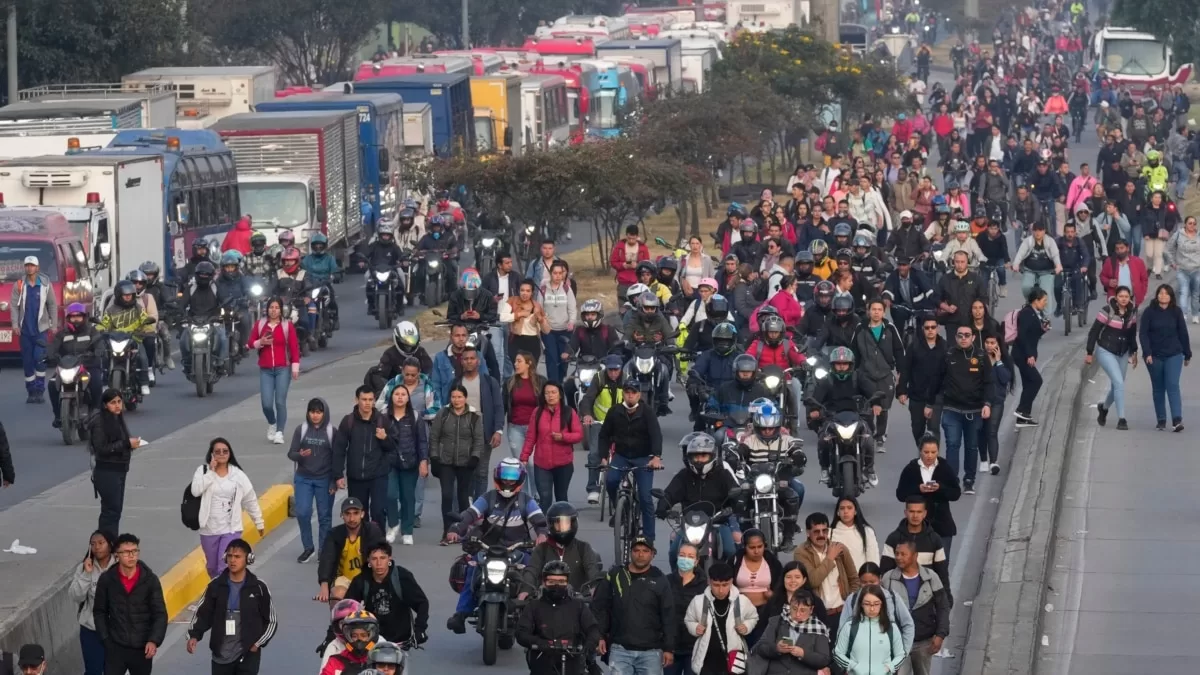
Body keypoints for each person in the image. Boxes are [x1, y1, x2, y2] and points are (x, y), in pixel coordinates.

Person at [445, 458, 549, 633]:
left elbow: (540, 521)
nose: (508, 482)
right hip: (488, 549)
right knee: (472, 569)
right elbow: (470, 514)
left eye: (512, 478)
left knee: (534, 573)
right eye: (505, 477)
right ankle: (460, 615)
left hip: (518, 549)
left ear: (520, 479)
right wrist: (456, 529)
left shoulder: (526, 501)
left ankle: (536, 616)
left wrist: (542, 535)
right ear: (497, 477)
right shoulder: (488, 498)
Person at [185, 539, 277, 675]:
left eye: (237, 557)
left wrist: (257, 644)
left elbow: (271, 620)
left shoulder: (258, 587)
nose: (232, 560)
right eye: (229, 556)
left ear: (248, 559)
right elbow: (203, 614)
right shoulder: (215, 586)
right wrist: (193, 636)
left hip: (248, 655)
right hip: (220, 656)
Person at [592, 536, 676, 675]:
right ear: (630, 552)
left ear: (652, 554)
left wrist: (669, 648)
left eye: (645, 550)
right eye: (636, 550)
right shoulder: (615, 575)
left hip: (651, 652)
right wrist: (599, 636)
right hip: (620, 650)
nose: (640, 554)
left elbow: (668, 615)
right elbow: (600, 607)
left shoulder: (660, 579)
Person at [657, 434, 741, 566]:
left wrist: (736, 504)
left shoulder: (722, 474)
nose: (699, 460)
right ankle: (675, 583)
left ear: (712, 456)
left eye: (703, 456)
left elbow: (736, 492)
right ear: (689, 458)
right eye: (696, 456)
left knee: (730, 550)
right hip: (689, 525)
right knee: (674, 551)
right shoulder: (683, 476)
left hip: (718, 523)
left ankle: (731, 581)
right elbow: (670, 493)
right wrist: (662, 507)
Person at [92, 533, 167, 675]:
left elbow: (160, 614)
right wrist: (106, 640)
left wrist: (153, 640)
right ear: (116, 555)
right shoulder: (107, 580)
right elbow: (99, 612)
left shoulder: (150, 580)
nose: (131, 555)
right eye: (126, 552)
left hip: (142, 648)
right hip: (115, 648)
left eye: (135, 551)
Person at [931, 323, 993, 493]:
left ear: (973, 337)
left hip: (974, 411)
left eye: (967, 335)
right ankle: (952, 480)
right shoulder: (948, 354)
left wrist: (987, 404)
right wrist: (930, 404)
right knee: (952, 444)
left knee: (972, 446)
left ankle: (969, 480)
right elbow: (937, 380)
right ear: (955, 337)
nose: (963, 338)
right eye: (960, 335)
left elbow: (989, 383)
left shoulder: (981, 356)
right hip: (952, 409)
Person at [599, 381, 664, 542]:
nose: (630, 395)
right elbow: (604, 435)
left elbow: (656, 434)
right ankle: (619, 510)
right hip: (622, 456)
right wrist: (604, 457)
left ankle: (649, 539)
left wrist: (656, 456)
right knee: (612, 481)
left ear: (639, 395)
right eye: (627, 392)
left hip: (643, 458)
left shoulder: (647, 412)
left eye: (633, 392)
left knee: (645, 498)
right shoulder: (615, 412)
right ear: (623, 394)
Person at [191, 438, 265, 579]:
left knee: (223, 564)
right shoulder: (203, 471)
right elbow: (196, 491)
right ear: (212, 454)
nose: (222, 454)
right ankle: (218, 589)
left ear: (230, 453)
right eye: (217, 451)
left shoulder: (238, 475)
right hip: (209, 529)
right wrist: (211, 472)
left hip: (231, 529)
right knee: (212, 567)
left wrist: (259, 521)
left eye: (225, 451)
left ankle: (224, 596)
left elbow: (250, 499)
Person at [805, 347, 879, 486]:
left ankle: (869, 469)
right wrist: (814, 409)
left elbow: (872, 392)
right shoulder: (827, 380)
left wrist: (876, 403)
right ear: (833, 365)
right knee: (823, 439)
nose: (841, 367)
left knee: (868, 439)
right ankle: (825, 468)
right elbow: (816, 398)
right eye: (838, 364)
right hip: (832, 418)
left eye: (844, 364)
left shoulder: (858, 378)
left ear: (850, 365)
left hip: (857, 417)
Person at [516, 560, 603, 675]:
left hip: (573, 661)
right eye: (551, 581)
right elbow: (521, 633)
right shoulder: (533, 606)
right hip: (542, 661)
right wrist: (538, 642)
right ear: (544, 581)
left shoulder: (578, 605)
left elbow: (593, 628)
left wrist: (589, 644)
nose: (556, 585)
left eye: (561, 581)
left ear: (567, 582)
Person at [879, 540, 951, 675]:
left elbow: (943, 606)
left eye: (903, 554)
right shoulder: (888, 579)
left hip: (924, 642)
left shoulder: (930, 577)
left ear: (915, 556)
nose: (899, 557)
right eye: (897, 554)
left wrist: (940, 634)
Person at [345, 541, 430, 646]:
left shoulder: (402, 577)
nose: (379, 563)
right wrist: (332, 635)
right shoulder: (361, 580)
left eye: (383, 558)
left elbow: (422, 603)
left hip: (399, 641)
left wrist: (420, 629)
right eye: (374, 559)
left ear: (390, 558)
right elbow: (346, 609)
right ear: (368, 561)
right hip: (370, 640)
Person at [333, 385, 395, 528]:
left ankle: (379, 545)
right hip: (356, 477)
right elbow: (339, 449)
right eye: (364, 399)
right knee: (359, 514)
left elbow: (393, 447)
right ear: (357, 400)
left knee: (378, 511)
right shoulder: (348, 421)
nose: (367, 403)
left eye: (370, 399)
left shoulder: (382, 420)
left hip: (378, 476)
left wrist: (385, 438)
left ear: (374, 401)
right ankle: (363, 545)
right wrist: (338, 475)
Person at [429, 385, 485, 541]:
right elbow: (434, 437)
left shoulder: (474, 416)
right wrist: (434, 457)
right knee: (447, 495)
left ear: (465, 398)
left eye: (459, 397)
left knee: (463, 496)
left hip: (466, 462)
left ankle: (462, 530)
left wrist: (475, 457)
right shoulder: (443, 414)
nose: (456, 400)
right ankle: (447, 530)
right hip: (446, 461)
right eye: (453, 397)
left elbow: (479, 440)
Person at [683, 562, 758, 675]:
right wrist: (694, 628)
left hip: (733, 661)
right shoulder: (698, 601)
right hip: (706, 661)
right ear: (709, 582)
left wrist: (747, 626)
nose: (721, 590)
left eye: (725, 585)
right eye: (716, 585)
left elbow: (753, 617)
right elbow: (689, 619)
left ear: (732, 582)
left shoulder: (742, 601)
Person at [851, 300, 905, 453]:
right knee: (866, 409)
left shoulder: (890, 328)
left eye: (879, 309)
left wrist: (901, 372)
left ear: (884, 311)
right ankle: (869, 435)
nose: (876, 312)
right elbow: (853, 350)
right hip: (865, 374)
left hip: (885, 374)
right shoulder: (860, 328)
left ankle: (880, 438)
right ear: (868, 311)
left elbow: (899, 351)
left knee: (883, 409)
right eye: (873, 309)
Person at [895, 436, 961, 561]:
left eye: (933, 452)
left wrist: (940, 488)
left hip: (942, 524)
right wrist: (918, 489)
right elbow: (901, 495)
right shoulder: (911, 469)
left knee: (942, 564)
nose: (929, 456)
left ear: (938, 451)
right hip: (917, 526)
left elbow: (956, 493)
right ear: (920, 451)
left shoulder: (945, 468)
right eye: (926, 452)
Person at [793, 513, 860, 636]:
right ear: (808, 533)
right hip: (816, 615)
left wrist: (851, 604)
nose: (821, 535)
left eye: (825, 531)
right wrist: (829, 558)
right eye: (816, 532)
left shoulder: (840, 549)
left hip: (842, 613)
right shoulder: (801, 553)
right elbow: (813, 580)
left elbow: (854, 579)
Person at [520, 381, 583, 510]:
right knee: (544, 497)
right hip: (542, 463)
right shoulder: (537, 412)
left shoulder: (569, 412)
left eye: (554, 392)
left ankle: (564, 527)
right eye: (547, 393)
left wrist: (563, 437)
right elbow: (530, 437)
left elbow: (578, 435)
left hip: (563, 463)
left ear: (560, 395)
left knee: (561, 498)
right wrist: (524, 457)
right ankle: (543, 528)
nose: (550, 396)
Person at [288, 398, 337, 564]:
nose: (315, 415)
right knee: (302, 513)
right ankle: (308, 547)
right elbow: (291, 453)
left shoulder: (331, 431)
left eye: (319, 412)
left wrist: (334, 481)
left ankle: (324, 550)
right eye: (312, 412)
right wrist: (300, 455)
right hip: (303, 478)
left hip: (324, 479)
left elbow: (337, 459)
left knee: (325, 516)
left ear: (324, 413)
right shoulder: (301, 430)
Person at [88, 389, 143, 535]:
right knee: (110, 513)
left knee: (114, 512)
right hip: (107, 471)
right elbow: (101, 448)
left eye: (119, 402)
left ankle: (109, 547)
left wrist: (131, 444)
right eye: (113, 403)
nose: (117, 406)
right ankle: (103, 548)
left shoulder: (115, 418)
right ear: (105, 405)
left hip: (118, 469)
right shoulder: (100, 421)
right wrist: (126, 444)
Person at [247, 297, 300, 445]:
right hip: (266, 369)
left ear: (281, 310)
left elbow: (294, 348)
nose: (274, 310)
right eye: (271, 307)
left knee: (280, 401)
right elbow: (250, 343)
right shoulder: (260, 324)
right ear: (267, 309)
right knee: (266, 404)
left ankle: (279, 432)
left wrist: (295, 367)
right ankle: (272, 422)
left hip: (283, 368)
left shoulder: (287, 326)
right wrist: (260, 342)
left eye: (277, 307)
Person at [381, 385, 428, 546]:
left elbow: (422, 441)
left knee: (408, 497)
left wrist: (423, 461)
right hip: (389, 462)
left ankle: (407, 531)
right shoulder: (383, 416)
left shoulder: (414, 416)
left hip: (410, 462)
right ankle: (393, 525)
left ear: (408, 398)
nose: (400, 397)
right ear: (391, 396)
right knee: (390, 495)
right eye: (396, 394)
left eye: (403, 394)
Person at [1139, 284, 1192, 431]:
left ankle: (1177, 420)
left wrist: (1187, 353)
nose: (1163, 296)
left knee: (1172, 385)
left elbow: (1183, 333)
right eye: (1160, 293)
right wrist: (1147, 352)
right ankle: (1161, 419)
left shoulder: (1176, 312)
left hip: (1174, 354)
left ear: (1171, 297)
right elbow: (1143, 334)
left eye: (1166, 294)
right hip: (1154, 356)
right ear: (1156, 295)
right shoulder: (1149, 312)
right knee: (1158, 388)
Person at [1087, 287, 1139, 431]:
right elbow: (1094, 331)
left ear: (1130, 298)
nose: (1123, 299)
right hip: (1106, 350)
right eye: (1120, 296)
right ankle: (1122, 419)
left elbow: (1132, 334)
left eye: (1126, 296)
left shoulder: (1132, 312)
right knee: (1119, 383)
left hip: (1123, 352)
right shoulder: (1107, 310)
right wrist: (1089, 352)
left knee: (1117, 385)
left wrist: (1134, 352)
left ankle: (1103, 408)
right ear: (1115, 297)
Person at [838, 564, 914, 661]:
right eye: (864, 582)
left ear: (880, 579)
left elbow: (908, 624)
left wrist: (902, 653)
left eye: (872, 582)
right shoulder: (852, 599)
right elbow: (842, 630)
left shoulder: (892, 597)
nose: (868, 586)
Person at [316, 498, 386, 603]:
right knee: (337, 595)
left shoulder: (372, 531)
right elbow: (327, 559)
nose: (351, 518)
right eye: (347, 514)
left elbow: (383, 556)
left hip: (369, 578)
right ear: (342, 516)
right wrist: (324, 585)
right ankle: (338, 619)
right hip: (344, 579)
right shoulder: (334, 534)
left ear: (362, 514)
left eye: (356, 513)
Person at [46, 303, 105, 429]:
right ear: (68, 318)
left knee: (96, 383)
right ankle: (58, 415)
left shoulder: (92, 331)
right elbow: (53, 347)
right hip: (66, 366)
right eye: (73, 317)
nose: (76, 319)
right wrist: (49, 355)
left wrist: (99, 351)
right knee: (52, 384)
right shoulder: (62, 334)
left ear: (84, 317)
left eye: (79, 316)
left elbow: (99, 343)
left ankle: (96, 411)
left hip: (88, 365)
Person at [523, 502, 604, 593]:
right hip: (546, 602)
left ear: (573, 524)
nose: (562, 528)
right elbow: (531, 571)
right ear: (551, 525)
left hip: (577, 603)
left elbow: (592, 570)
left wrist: (595, 588)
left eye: (565, 524)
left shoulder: (583, 548)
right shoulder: (541, 549)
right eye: (558, 524)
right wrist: (526, 590)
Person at [747, 588, 831, 675]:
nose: (798, 614)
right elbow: (761, 647)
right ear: (789, 605)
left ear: (811, 609)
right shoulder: (777, 621)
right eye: (794, 608)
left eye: (803, 610)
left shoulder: (818, 628)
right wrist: (777, 648)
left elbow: (824, 660)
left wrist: (803, 654)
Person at [10, 255, 56, 402]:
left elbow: (52, 305)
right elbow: (14, 306)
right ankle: (31, 392)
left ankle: (40, 390)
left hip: (40, 330)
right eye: (27, 265)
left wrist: (53, 325)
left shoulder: (45, 284)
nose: (29, 268)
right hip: (25, 331)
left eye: (32, 265)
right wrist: (15, 324)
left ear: (37, 268)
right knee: (28, 362)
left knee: (39, 359)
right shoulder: (19, 285)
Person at [879, 498, 950, 592]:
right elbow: (885, 571)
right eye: (911, 511)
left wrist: (946, 597)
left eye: (919, 512)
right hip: (899, 594)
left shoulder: (935, 539)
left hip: (927, 595)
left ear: (925, 513)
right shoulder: (893, 538)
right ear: (905, 513)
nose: (915, 516)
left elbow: (942, 572)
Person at [832, 585, 907, 675]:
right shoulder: (850, 626)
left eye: (876, 604)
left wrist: (888, 667)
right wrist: (853, 666)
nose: (872, 608)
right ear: (861, 604)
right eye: (867, 604)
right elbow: (837, 653)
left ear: (882, 604)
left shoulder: (891, 627)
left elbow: (901, 655)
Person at [70, 530, 116, 675]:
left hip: (115, 631)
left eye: (101, 543)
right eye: (93, 544)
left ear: (110, 545)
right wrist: (86, 574)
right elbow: (75, 596)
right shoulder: (83, 568)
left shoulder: (121, 567)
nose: (97, 547)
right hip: (91, 630)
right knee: (93, 671)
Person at [99, 280, 153, 397]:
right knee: (103, 357)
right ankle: (104, 383)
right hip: (114, 340)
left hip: (134, 339)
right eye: (125, 295)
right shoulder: (111, 310)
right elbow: (104, 323)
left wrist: (147, 323)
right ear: (119, 295)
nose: (128, 298)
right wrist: (99, 329)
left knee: (142, 357)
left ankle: (144, 383)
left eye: (130, 295)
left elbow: (144, 319)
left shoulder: (138, 308)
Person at [897, 315, 946, 444]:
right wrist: (902, 391)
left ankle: (933, 459)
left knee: (934, 428)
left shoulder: (945, 348)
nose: (930, 330)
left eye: (933, 327)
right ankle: (923, 454)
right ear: (923, 329)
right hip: (916, 395)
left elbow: (947, 373)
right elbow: (905, 369)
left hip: (936, 396)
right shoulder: (914, 347)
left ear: (938, 329)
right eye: (927, 327)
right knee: (917, 428)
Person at [180, 261, 231, 374]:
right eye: (201, 274)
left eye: (206, 274)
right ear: (196, 275)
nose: (203, 277)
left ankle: (220, 363)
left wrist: (224, 314)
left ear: (211, 276)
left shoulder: (216, 287)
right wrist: (183, 316)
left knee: (223, 338)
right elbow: (182, 305)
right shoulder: (190, 288)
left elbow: (224, 301)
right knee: (183, 340)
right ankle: (187, 363)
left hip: (213, 320)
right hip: (193, 321)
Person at [1011, 288, 1051, 428]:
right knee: (1036, 381)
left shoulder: (1034, 313)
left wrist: (1043, 329)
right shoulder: (1027, 313)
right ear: (1036, 300)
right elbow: (1022, 336)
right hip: (1022, 354)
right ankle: (1021, 410)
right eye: (1044, 300)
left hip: (1025, 353)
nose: (1045, 303)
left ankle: (1023, 418)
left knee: (1029, 383)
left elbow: (1032, 334)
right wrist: (1029, 355)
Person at [666, 543, 707, 675]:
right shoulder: (665, 582)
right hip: (670, 647)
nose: (685, 559)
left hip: (695, 647)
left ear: (696, 561)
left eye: (690, 556)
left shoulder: (705, 587)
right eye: (682, 555)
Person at [1011, 222, 1063, 316]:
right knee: (1026, 287)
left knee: (1045, 292)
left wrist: (1058, 265)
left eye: (1040, 230)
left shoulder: (1050, 241)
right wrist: (1016, 264)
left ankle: (1046, 317)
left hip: (1047, 272)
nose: (1037, 233)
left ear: (1044, 231)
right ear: (1032, 231)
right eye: (1035, 230)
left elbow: (1055, 255)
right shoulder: (1028, 241)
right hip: (1029, 270)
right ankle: (1030, 304)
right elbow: (1020, 254)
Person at [979, 334, 1011, 473]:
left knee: (992, 431)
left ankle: (993, 462)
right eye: (987, 342)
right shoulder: (979, 358)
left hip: (997, 401)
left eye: (992, 342)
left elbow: (1005, 379)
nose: (989, 345)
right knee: (980, 431)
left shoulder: (1004, 360)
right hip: (980, 400)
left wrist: (998, 362)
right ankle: (984, 460)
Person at [319, 610, 380, 675]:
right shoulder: (336, 662)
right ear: (347, 637)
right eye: (354, 636)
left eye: (363, 635)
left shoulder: (380, 660)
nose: (359, 639)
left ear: (371, 636)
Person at [830, 497, 880, 575]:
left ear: (855, 511)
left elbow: (873, 559)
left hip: (860, 581)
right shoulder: (829, 533)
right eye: (842, 508)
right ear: (838, 512)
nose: (845, 511)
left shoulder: (867, 531)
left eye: (849, 508)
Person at [508, 280, 549, 364]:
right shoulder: (513, 302)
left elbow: (546, 330)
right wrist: (518, 314)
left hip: (532, 342)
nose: (524, 293)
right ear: (518, 291)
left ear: (532, 293)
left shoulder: (537, 306)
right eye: (522, 290)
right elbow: (503, 317)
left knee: (531, 372)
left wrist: (540, 319)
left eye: (528, 291)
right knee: (518, 370)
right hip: (516, 340)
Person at [1167, 216, 1200, 323]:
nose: (1192, 226)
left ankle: (1195, 315)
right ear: (1185, 224)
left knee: (1196, 293)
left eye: (1194, 223)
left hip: (1197, 269)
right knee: (1184, 292)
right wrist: (1173, 263)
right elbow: (1168, 249)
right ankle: (1183, 314)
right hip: (1182, 269)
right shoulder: (1178, 235)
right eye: (1190, 223)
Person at [1100, 238, 1149, 305]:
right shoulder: (1109, 262)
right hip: (1115, 300)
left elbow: (1144, 279)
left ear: (1127, 248)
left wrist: (1142, 294)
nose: (1119, 251)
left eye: (1122, 248)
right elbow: (1102, 276)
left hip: (1133, 299)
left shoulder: (1138, 262)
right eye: (1117, 249)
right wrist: (1108, 282)